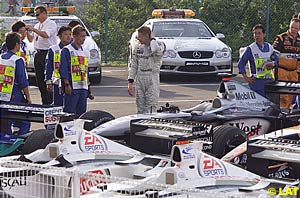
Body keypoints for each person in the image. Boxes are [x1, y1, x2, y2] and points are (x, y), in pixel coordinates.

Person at [128, 26, 165, 114]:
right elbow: (134, 65)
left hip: (152, 76)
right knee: (140, 105)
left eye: (140, 36)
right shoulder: (138, 47)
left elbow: (154, 49)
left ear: (147, 36)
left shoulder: (158, 45)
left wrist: (151, 39)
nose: (138, 38)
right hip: (140, 77)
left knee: (151, 105)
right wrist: (130, 81)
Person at [25, 5, 57, 105]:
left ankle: (50, 101)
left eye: (38, 14)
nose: (37, 17)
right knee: (39, 79)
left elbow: (46, 35)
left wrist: (34, 30)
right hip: (38, 53)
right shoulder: (37, 25)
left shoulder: (51, 24)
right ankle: (44, 101)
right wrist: (27, 31)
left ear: (44, 13)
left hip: (47, 52)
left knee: (48, 78)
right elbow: (31, 39)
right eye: (35, 15)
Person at [0, 32, 31, 135]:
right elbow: (23, 81)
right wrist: (28, 97)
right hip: (13, 95)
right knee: (24, 120)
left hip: (1, 94)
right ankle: (19, 141)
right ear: (17, 45)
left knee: (4, 122)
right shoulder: (18, 60)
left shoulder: (0, 57)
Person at [238, 24, 277, 97]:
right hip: (257, 82)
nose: (257, 35)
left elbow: (277, 60)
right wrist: (246, 78)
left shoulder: (269, 47)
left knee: (271, 104)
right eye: (255, 33)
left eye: (259, 33)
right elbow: (241, 64)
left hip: (269, 80)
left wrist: (273, 64)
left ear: (264, 34)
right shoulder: (250, 48)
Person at [59, 25, 89, 118]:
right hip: (72, 86)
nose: (83, 39)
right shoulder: (67, 50)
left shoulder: (85, 52)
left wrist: (89, 87)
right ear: (74, 36)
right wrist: (66, 84)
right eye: (81, 36)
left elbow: (86, 70)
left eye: (84, 36)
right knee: (69, 112)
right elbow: (63, 67)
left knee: (81, 113)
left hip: (83, 86)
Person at [273, 17, 300, 109]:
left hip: (294, 72)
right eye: (292, 27)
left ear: (299, 29)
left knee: (290, 96)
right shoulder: (281, 38)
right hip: (282, 71)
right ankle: (281, 115)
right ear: (289, 26)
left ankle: (286, 115)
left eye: (296, 28)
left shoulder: (299, 40)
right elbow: (273, 54)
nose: (293, 30)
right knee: (282, 96)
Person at [45, 26, 72, 106]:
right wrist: (48, 81)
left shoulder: (73, 49)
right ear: (60, 36)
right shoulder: (53, 49)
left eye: (70, 34)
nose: (68, 36)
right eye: (65, 34)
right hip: (57, 82)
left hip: (71, 82)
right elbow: (49, 67)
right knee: (58, 105)